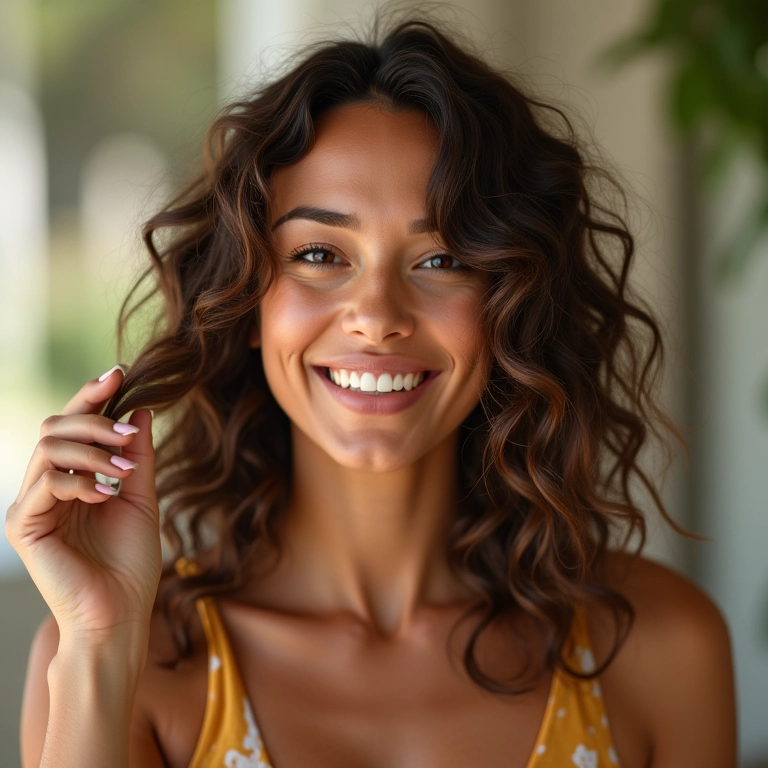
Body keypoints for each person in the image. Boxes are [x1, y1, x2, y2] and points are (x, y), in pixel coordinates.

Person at [7, 14, 736, 768]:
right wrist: (99, 643)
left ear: (510, 309)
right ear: (246, 302)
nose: (379, 317)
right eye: (321, 253)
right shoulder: (123, 659)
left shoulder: (661, 648)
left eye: (444, 258)